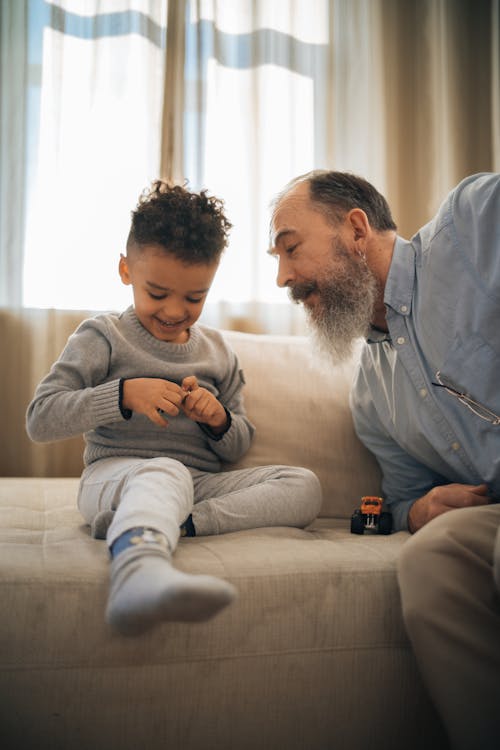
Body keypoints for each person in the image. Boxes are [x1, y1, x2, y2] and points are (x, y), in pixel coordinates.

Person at [26, 181, 322, 637]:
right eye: (157, 292)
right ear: (126, 270)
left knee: (304, 486)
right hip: (118, 477)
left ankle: (178, 523)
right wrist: (123, 395)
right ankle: (137, 573)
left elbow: (237, 445)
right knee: (165, 471)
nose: (174, 311)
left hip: (197, 486)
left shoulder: (219, 353)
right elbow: (41, 418)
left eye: (194, 298)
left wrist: (218, 419)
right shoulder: (103, 337)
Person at [269, 170, 500, 750]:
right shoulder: (371, 395)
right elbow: (398, 503)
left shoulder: (473, 223)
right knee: (430, 559)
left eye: (291, 249)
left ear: (355, 229)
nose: (282, 279)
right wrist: (420, 510)